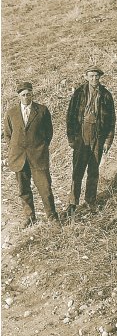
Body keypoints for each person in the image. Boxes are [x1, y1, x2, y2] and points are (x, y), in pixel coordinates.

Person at [3, 81, 60, 229]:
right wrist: (15, 150)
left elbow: (49, 133)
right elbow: (8, 135)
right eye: (23, 95)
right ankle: (29, 217)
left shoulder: (42, 110)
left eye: (29, 94)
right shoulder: (11, 113)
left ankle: (52, 217)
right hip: (19, 158)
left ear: (32, 94)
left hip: (38, 156)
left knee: (45, 187)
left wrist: (39, 147)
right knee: (23, 189)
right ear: (19, 96)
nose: (26, 97)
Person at [66, 65, 116, 218]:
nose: (94, 79)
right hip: (81, 135)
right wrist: (72, 138)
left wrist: (108, 140)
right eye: (91, 76)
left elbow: (112, 121)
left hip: (98, 135)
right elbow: (70, 116)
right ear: (86, 77)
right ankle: (72, 203)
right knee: (78, 170)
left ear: (99, 77)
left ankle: (90, 201)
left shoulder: (106, 95)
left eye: (96, 76)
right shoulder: (79, 94)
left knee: (93, 170)